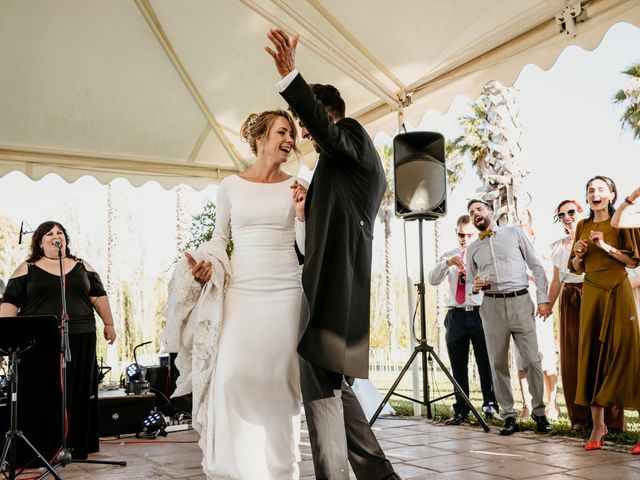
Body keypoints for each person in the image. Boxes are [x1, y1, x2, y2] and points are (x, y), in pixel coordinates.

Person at [266, 28, 400, 480]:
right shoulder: (335, 169)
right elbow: (316, 245)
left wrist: (291, 78)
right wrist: (306, 213)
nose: (305, 135)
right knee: (331, 389)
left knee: (318, 389)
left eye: (306, 125)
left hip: (336, 292)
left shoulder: (352, 135)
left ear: (328, 116)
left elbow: (326, 130)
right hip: (326, 288)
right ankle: (380, 475)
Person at [165, 110, 306, 479]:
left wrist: (303, 213)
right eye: (282, 132)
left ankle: (281, 470)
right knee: (230, 376)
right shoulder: (230, 185)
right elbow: (220, 238)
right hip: (242, 290)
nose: (290, 139)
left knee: (279, 383)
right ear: (260, 138)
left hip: (285, 292)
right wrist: (208, 262)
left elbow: (305, 249)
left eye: (291, 133)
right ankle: (233, 470)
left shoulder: (298, 184)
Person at [0, 221, 116, 462]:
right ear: (40, 242)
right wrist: (6, 334)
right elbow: (9, 301)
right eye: (49, 234)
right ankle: (41, 448)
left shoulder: (82, 265)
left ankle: (74, 446)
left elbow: (98, 296)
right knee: (42, 392)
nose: (56, 236)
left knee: (77, 391)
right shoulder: (27, 268)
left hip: (82, 336)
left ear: (65, 239)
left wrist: (109, 324)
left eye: (59, 233)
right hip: (38, 341)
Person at [465, 199, 553, 436]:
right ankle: (509, 415)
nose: (476, 214)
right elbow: (470, 284)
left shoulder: (514, 233)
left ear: (491, 212)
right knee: (497, 363)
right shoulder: (473, 248)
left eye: (479, 209)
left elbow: (535, 265)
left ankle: (539, 412)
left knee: (532, 360)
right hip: (491, 306)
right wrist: (475, 287)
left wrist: (543, 297)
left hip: (520, 301)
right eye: (472, 212)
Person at [568, 176, 640, 452]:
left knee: (627, 352)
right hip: (592, 292)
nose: (594, 193)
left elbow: (633, 259)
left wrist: (605, 246)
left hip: (618, 288)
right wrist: (579, 253)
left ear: (611, 195)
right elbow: (575, 267)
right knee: (592, 355)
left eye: (600, 189)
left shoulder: (622, 222)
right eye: (590, 190)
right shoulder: (583, 226)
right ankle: (599, 426)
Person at [548, 200, 625, 431]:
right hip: (569, 299)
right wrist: (547, 305)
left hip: (595, 293)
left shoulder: (598, 237)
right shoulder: (557, 247)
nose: (566, 217)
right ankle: (580, 419)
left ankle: (611, 421)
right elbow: (556, 281)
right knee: (572, 358)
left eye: (571, 212)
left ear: (581, 211)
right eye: (561, 215)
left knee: (602, 357)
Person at [428, 214, 498, 425]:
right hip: (456, 314)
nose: (465, 239)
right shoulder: (449, 255)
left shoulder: (484, 254)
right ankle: (462, 408)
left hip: (479, 312)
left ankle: (490, 405)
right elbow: (432, 280)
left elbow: (494, 283)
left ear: (475, 233)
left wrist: (480, 281)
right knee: (458, 365)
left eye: (469, 235)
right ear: (456, 233)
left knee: (485, 362)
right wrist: (447, 263)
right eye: (461, 234)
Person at [513, 224, 559, 422]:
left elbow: (553, 280)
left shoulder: (543, 257)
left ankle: (552, 404)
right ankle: (526, 404)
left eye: (525, 235)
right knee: (522, 361)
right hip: (518, 314)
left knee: (546, 359)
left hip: (541, 314)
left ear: (532, 236)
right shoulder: (512, 260)